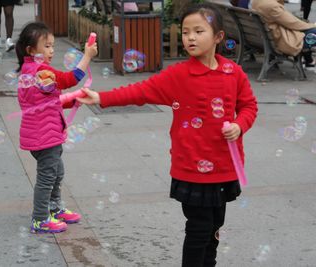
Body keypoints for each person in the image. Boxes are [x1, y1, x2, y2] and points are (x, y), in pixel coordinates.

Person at [78, 3, 258, 266]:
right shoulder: (178, 75)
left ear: (218, 37)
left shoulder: (234, 73)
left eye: (199, 31)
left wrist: (240, 125)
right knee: (199, 228)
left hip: (225, 167)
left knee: (214, 228)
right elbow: (140, 91)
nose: (191, 37)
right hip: (192, 169)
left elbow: (249, 106)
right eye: (186, 32)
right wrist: (101, 97)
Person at [15, 22, 97, 233]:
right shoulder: (41, 71)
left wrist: (71, 101)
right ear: (31, 50)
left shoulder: (29, 69)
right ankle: (40, 218)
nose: (52, 50)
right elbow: (69, 79)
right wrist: (87, 56)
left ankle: (54, 207)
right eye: (47, 46)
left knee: (57, 173)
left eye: (53, 46)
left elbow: (47, 100)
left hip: (45, 134)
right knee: (47, 178)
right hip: (44, 137)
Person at [252, 0, 316, 67]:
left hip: (265, 37)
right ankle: (307, 57)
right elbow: (293, 23)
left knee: (308, 33)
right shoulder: (272, 6)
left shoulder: (257, 1)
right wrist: (313, 25)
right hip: (279, 41)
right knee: (313, 33)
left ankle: (308, 59)